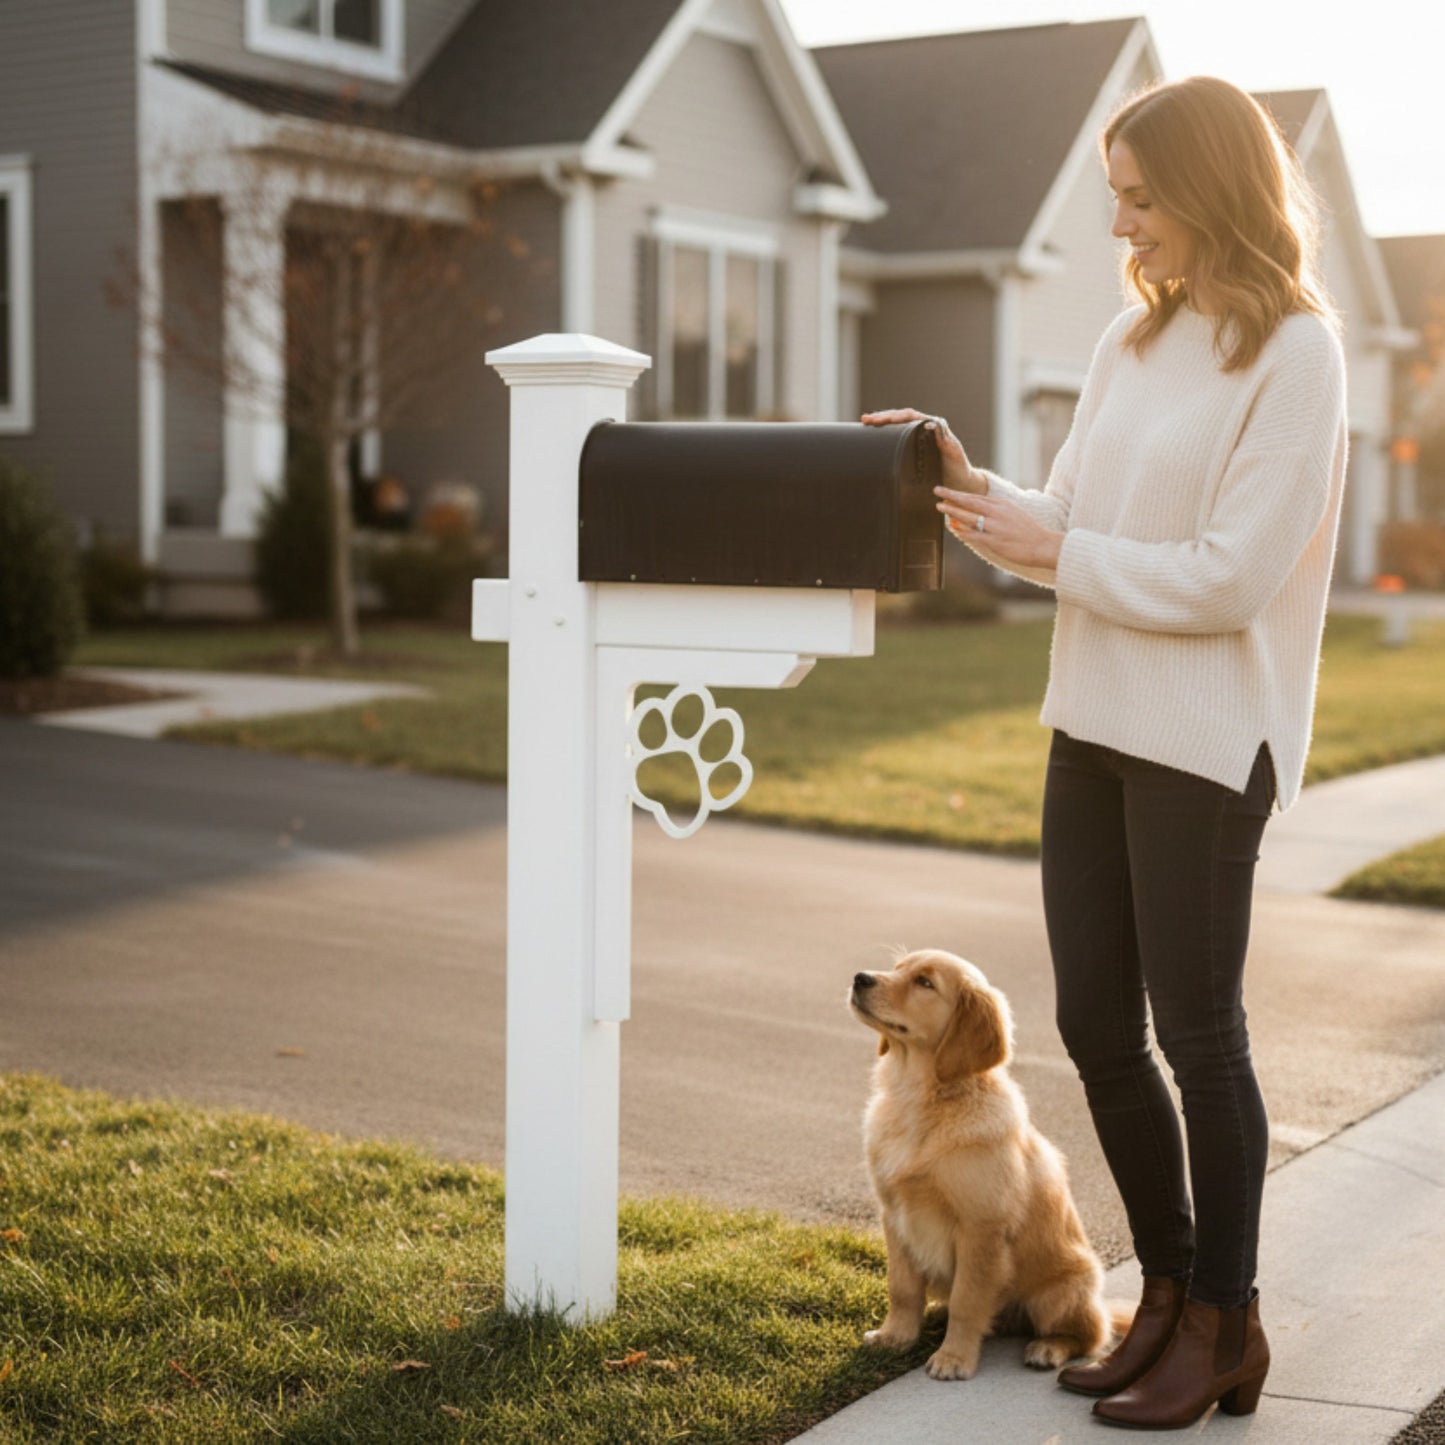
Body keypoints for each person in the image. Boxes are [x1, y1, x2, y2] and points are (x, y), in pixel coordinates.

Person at [861, 75, 1348, 1430]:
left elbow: (1226, 578)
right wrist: (961, 478)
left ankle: (1227, 1324)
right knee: (1090, 1025)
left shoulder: (1296, 354)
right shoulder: (1129, 346)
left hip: (1205, 737)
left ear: (1210, 192)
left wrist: (1059, 547)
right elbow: (1064, 515)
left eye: (1138, 200)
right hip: (1092, 722)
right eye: (1114, 201)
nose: (1120, 228)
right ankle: (1168, 1295)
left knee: (1197, 1034)